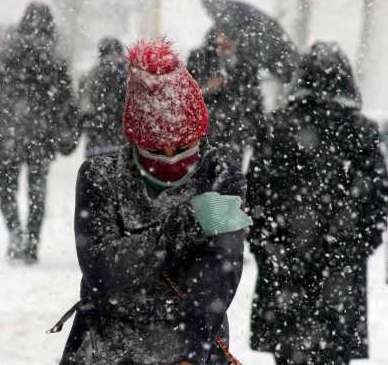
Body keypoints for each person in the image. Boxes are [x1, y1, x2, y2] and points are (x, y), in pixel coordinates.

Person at [56, 40, 250, 365]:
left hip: (192, 345)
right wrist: (190, 222)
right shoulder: (99, 177)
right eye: (158, 151)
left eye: (185, 148)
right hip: (107, 346)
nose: (173, 159)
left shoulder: (221, 177)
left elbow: (220, 272)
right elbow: (102, 271)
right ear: (136, 141)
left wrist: (193, 351)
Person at [245, 42, 388, 365]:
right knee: (333, 353)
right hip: (339, 272)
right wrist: (354, 248)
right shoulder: (360, 131)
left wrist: (268, 247)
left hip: (284, 268)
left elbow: (253, 196)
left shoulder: (275, 127)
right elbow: (379, 198)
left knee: (288, 353)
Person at [0, 2, 77, 264]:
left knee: (5, 188)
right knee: (37, 190)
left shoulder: (7, 54)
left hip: (9, 131)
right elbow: (67, 100)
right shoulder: (55, 61)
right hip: (40, 134)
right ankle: (31, 241)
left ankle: (15, 232)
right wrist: (67, 130)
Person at [187, 28, 263, 165]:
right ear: (215, 34)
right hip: (203, 139)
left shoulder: (247, 67)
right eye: (222, 34)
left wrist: (244, 131)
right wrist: (206, 88)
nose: (225, 41)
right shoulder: (199, 58)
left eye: (231, 36)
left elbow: (255, 106)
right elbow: (184, 96)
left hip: (233, 142)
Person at [78, 37, 128, 158]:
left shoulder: (90, 77)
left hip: (96, 144)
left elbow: (83, 109)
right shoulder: (129, 75)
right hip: (123, 145)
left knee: (96, 174)